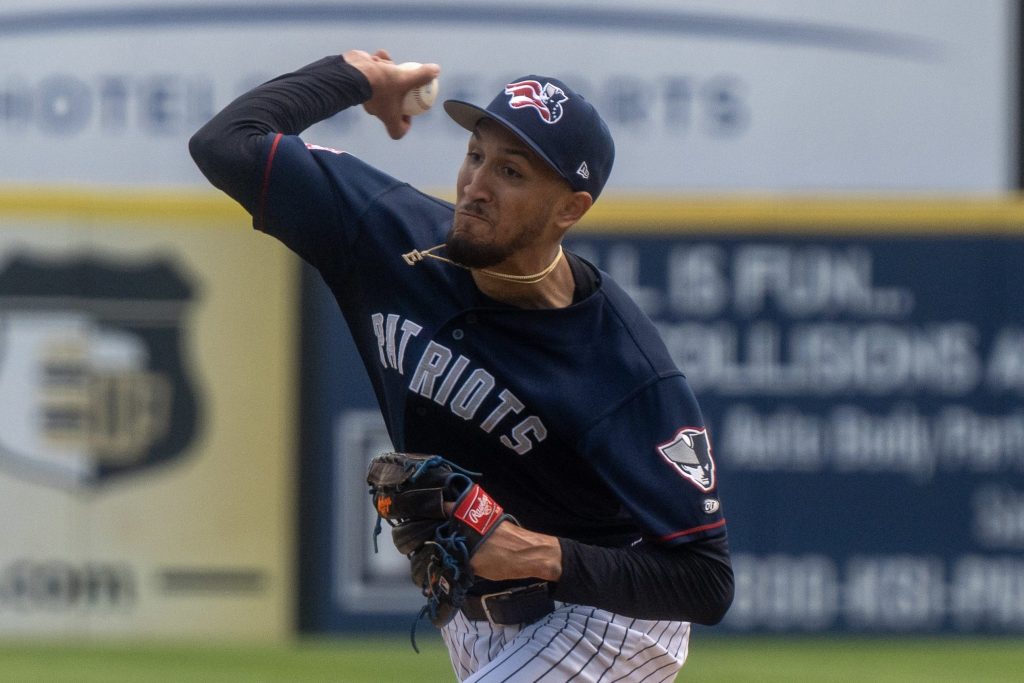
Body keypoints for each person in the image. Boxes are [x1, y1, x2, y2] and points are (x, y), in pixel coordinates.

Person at [190, 49, 733, 682]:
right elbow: (225, 143)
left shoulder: (623, 368)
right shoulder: (384, 231)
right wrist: (358, 76)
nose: (477, 185)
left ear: (570, 209)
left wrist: (542, 553)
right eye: (475, 155)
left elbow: (706, 582)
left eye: (512, 171)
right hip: (469, 620)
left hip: (602, 624)